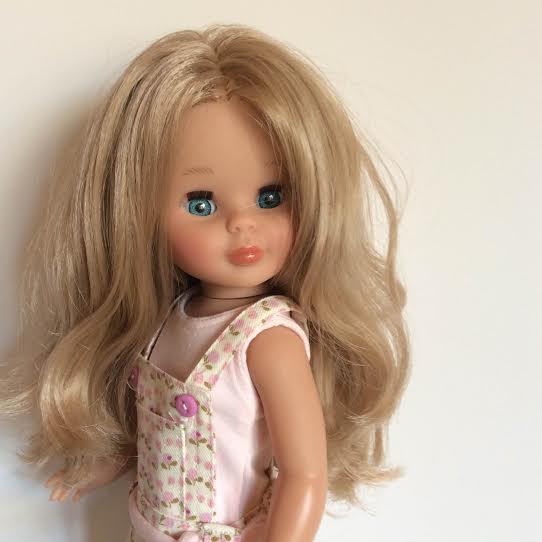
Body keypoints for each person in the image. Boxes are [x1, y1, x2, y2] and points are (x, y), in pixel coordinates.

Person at [1, 23, 410, 542]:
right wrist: (103, 466)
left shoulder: (268, 339)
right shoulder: (171, 317)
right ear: (138, 214)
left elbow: (304, 474)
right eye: (201, 204)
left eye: (270, 197)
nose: (242, 224)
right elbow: (157, 430)